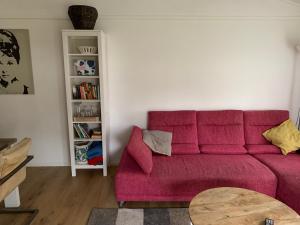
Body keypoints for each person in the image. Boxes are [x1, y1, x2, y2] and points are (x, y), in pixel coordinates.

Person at [0, 29, 28, 94]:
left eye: (10, 63)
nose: (4, 70)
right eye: (0, 63)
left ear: (17, 62)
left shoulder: (24, 90)